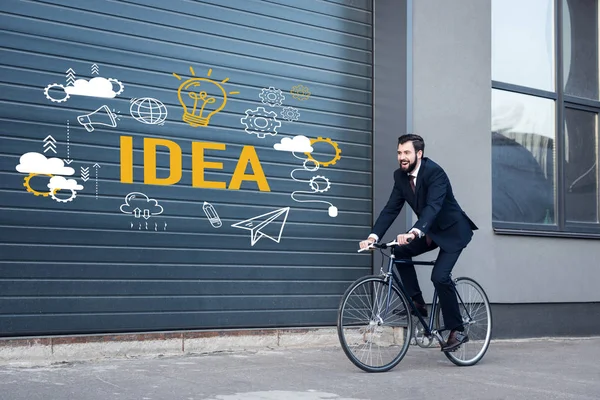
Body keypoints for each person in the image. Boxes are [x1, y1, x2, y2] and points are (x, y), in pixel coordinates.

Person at [359, 134, 478, 352]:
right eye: (399, 153)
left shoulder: (435, 173)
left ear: (419, 154)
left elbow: (433, 206)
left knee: (440, 277)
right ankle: (418, 303)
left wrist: (415, 231)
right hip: (430, 231)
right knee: (401, 251)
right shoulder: (401, 177)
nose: (401, 157)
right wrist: (373, 237)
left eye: (406, 153)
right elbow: (391, 209)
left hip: (453, 231)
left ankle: (457, 329)